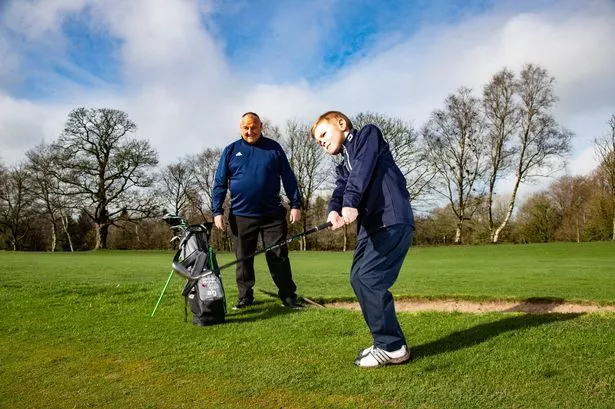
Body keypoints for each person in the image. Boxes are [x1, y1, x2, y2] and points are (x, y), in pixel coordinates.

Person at [310, 111, 415, 368]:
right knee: (358, 277)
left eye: (324, 135)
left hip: (391, 219)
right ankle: (384, 342)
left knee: (370, 279)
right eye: (318, 142)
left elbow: (362, 171)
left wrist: (350, 201)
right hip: (371, 228)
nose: (322, 143)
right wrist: (334, 210)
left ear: (342, 124)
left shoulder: (368, 135)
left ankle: (393, 347)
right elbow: (341, 188)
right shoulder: (343, 164)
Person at [212, 112, 304, 310]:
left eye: (253, 127)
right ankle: (245, 297)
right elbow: (220, 182)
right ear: (240, 128)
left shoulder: (274, 148)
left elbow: (287, 176)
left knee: (278, 256)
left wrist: (296, 204)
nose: (249, 131)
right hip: (241, 215)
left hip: (272, 215)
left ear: (261, 126)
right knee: (243, 258)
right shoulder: (231, 150)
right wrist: (216, 211)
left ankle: (288, 296)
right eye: (245, 128)